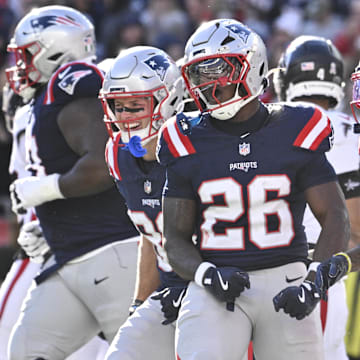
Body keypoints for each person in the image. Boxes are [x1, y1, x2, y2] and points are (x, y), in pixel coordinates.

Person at [156, 19, 350, 360]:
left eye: (219, 70)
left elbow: (334, 216)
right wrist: (206, 274)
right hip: (216, 279)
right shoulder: (185, 136)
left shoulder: (298, 126)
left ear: (252, 67)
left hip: (288, 278)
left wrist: (313, 281)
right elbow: (174, 237)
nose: (208, 84)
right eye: (200, 74)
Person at [6, 5, 139, 359]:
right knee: (22, 352)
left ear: (56, 49)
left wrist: (46, 189)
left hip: (113, 252)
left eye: (28, 54)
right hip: (68, 257)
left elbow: (102, 165)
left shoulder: (72, 83)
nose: (21, 65)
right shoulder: (42, 101)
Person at [273, 35, 360, 360]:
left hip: (256, 271)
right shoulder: (348, 133)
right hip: (319, 276)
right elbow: (356, 226)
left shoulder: (265, 124)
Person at [99, 45, 188, 360]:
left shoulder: (197, 148)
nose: (124, 117)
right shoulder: (117, 155)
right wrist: (138, 304)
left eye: (135, 105)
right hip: (168, 291)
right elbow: (150, 236)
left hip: (217, 289)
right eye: (117, 106)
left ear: (169, 100)